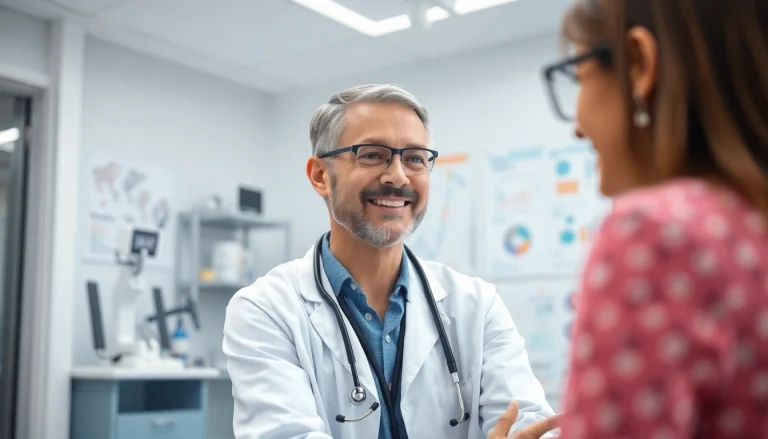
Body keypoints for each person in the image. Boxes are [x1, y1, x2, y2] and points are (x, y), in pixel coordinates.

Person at [492, 0, 768, 438]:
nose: (577, 126)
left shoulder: (658, 233)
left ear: (639, 63)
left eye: (580, 78)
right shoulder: (749, 227)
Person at [222, 84, 559, 439]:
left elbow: (528, 424)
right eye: (371, 155)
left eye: (414, 158)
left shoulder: (477, 305)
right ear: (321, 176)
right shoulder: (264, 309)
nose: (398, 176)